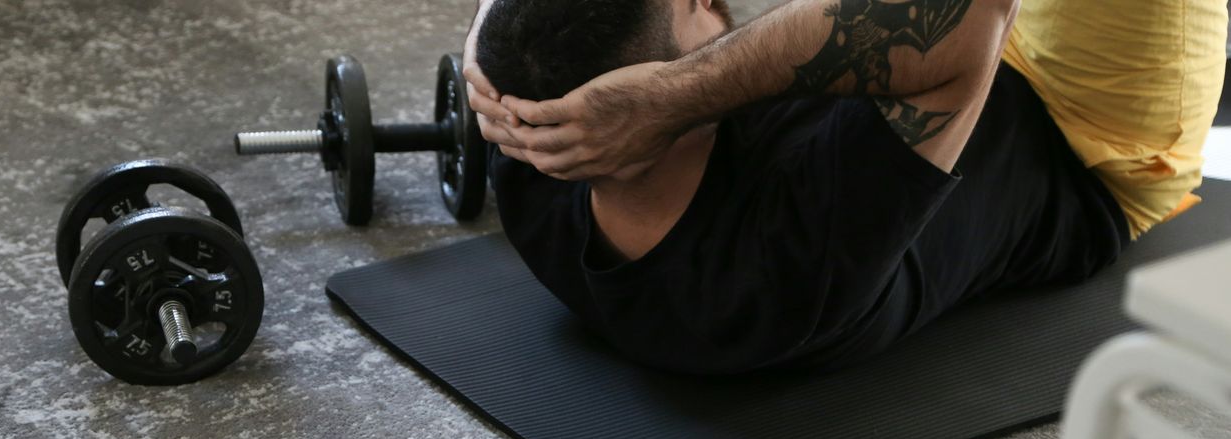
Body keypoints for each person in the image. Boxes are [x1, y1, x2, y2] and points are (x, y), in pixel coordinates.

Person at [460, 0, 1227, 373]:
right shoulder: (779, 267)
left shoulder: (537, 157)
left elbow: (506, 23)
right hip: (1082, 134)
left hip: (921, 63)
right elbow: (969, 19)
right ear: (645, 107)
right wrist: (675, 94)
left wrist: (482, 61)